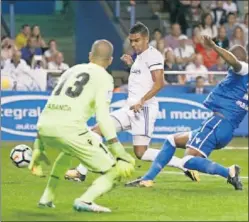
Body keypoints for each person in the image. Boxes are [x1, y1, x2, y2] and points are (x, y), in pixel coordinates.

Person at [65, 22, 199, 183]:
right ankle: (81, 172)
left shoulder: (153, 55)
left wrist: (142, 101)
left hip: (144, 109)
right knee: (97, 130)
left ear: (146, 39)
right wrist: (131, 64)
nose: (133, 44)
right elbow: (143, 78)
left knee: (141, 152)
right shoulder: (140, 57)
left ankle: (183, 165)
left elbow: (159, 83)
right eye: (131, 41)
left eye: (137, 40)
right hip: (130, 108)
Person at [126, 36, 247, 190]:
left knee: (187, 161)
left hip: (218, 123)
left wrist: (214, 46)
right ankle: (147, 179)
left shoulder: (242, 70)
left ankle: (229, 172)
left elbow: (235, 62)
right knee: (172, 140)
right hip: (223, 127)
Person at [28, 39, 135, 213]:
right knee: (116, 171)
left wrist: (38, 147)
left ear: (89, 56)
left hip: (44, 126)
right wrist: (118, 151)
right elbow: (102, 117)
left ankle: (46, 198)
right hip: (70, 130)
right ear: (110, 60)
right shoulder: (105, 78)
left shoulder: (71, 70)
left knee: (68, 152)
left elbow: (51, 103)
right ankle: (85, 201)